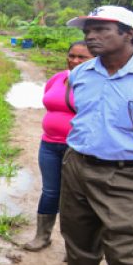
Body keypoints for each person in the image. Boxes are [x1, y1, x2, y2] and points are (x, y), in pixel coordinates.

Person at [61, 5, 133, 265]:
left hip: (128, 174)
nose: (91, 37)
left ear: (129, 33)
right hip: (78, 168)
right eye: (87, 31)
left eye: (101, 30)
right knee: (79, 249)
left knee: (126, 258)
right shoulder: (81, 73)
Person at [22, 41, 93, 251]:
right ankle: (42, 236)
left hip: (79, 149)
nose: (75, 60)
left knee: (77, 196)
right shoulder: (58, 78)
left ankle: (76, 247)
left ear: (95, 59)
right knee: (50, 192)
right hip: (50, 145)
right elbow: (49, 102)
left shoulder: (97, 83)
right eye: (72, 55)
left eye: (82, 57)